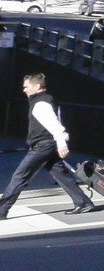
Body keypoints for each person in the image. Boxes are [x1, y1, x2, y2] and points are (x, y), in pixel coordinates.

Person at [0, 74, 94, 219]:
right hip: (47, 144)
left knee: (20, 175)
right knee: (59, 173)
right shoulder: (48, 99)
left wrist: (61, 142)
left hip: (43, 145)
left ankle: (2, 210)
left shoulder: (41, 104)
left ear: (37, 86)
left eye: (26, 86)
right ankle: (83, 202)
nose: (23, 89)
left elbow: (54, 124)